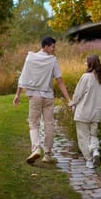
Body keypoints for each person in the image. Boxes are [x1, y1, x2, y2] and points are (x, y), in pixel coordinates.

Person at [13, 36, 73, 164]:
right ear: (45, 46)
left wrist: (17, 94)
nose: (54, 49)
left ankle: (36, 149)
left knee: (33, 124)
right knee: (49, 124)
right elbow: (60, 81)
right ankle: (48, 154)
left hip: (35, 97)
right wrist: (69, 99)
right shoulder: (52, 61)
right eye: (52, 46)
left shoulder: (30, 58)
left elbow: (23, 77)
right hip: (48, 97)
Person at [72, 54, 101, 169]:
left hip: (83, 112)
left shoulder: (86, 77)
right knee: (93, 135)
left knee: (83, 137)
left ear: (91, 64)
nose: (85, 64)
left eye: (86, 62)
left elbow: (78, 94)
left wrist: (73, 103)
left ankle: (89, 160)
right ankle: (95, 150)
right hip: (96, 112)